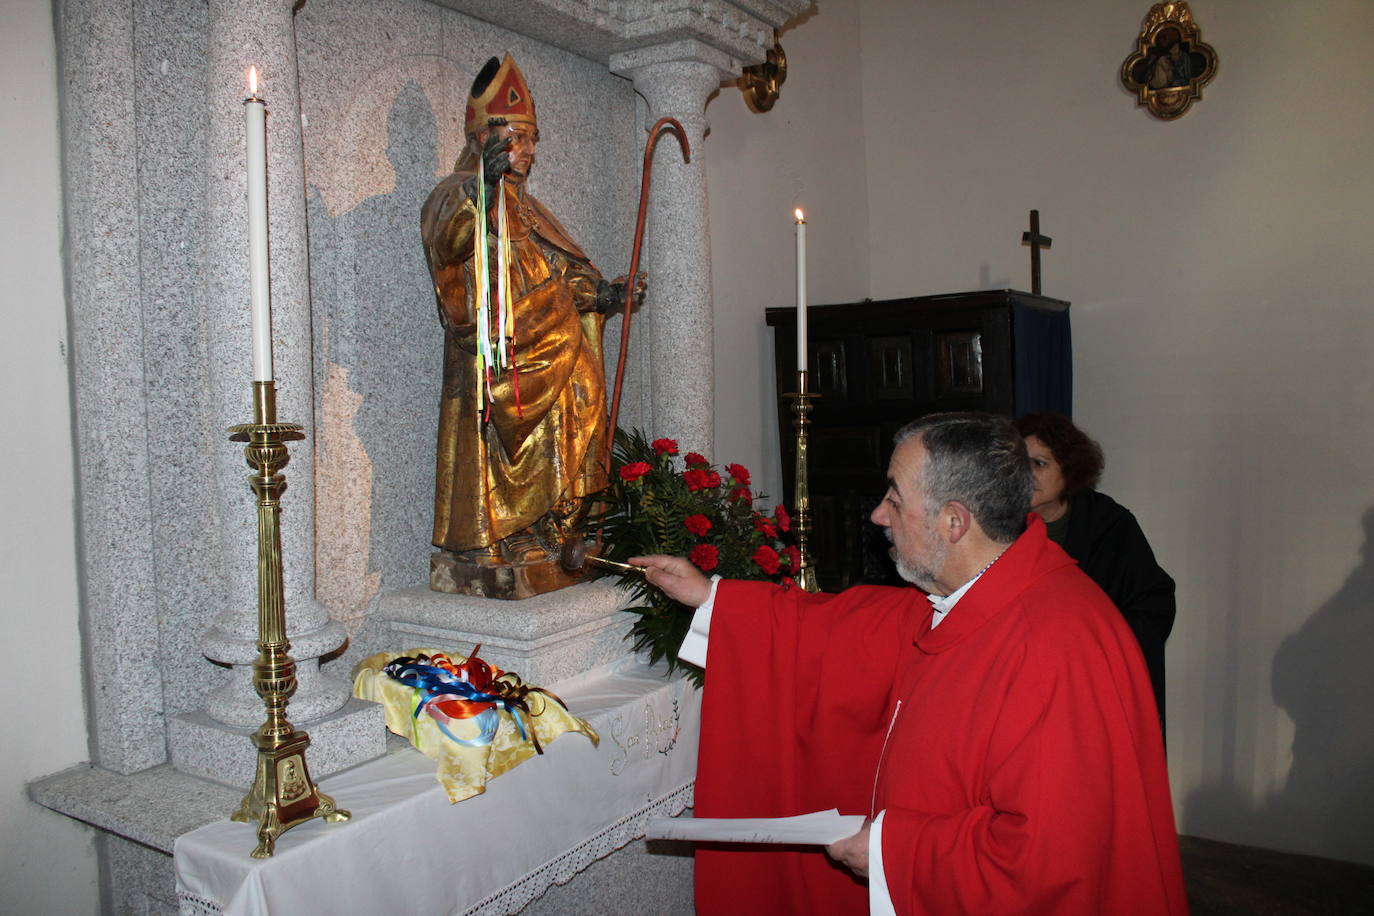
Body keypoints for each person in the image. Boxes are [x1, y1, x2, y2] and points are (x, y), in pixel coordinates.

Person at [634, 413, 1186, 914]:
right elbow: (838, 630)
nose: (878, 514)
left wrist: (892, 851)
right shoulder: (975, 595)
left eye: (895, 499)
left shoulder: (1055, 646)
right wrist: (711, 599)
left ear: (953, 521)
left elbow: (1047, 862)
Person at [421, 53, 635, 579]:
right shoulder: (457, 192)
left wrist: (601, 294)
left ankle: (544, 531)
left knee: (571, 417)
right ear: (485, 140)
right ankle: (494, 539)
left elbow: (559, 266)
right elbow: (448, 245)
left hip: (551, 338)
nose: (530, 151)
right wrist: (480, 191)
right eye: (519, 138)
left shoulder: (530, 206)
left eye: (532, 140)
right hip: (497, 350)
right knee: (498, 439)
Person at [1014, 412, 1176, 730]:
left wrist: (1091, 644)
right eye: (1019, 463)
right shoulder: (996, 525)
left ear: (1070, 470)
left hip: (1092, 689)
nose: (1026, 473)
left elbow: (1153, 605)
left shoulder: (1110, 525)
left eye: (1040, 463)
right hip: (1021, 684)